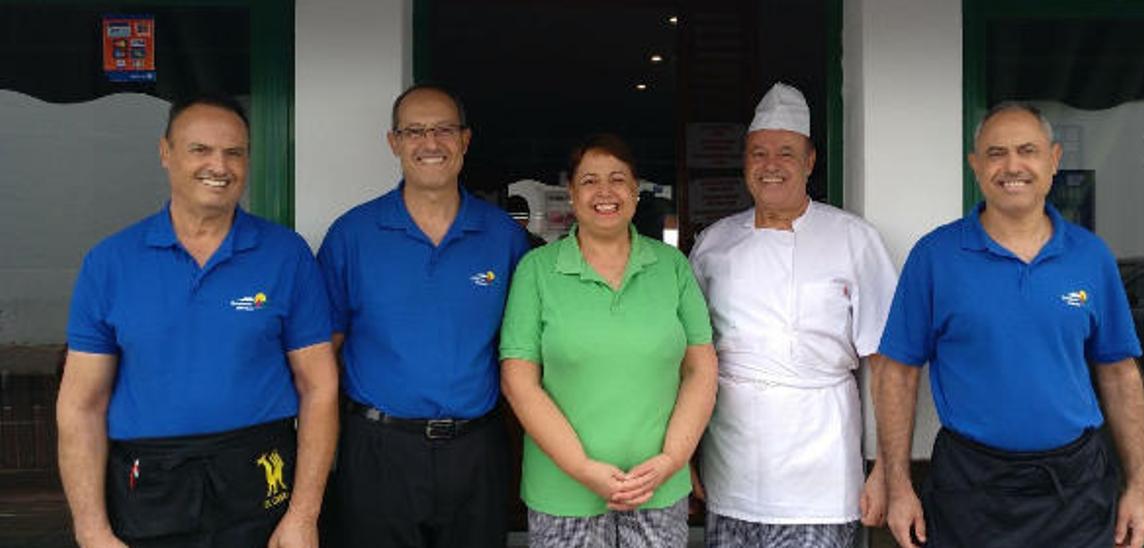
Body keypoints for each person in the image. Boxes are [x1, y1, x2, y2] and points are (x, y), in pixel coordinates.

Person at [57, 95, 339, 548]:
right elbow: (81, 405)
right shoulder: (110, 263)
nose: (219, 166)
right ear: (165, 153)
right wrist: (92, 531)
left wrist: (304, 515)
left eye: (234, 152)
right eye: (200, 150)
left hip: (259, 474)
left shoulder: (286, 256)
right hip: (150, 484)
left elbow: (319, 387)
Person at [875, 102, 1144, 547]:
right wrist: (898, 484)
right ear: (975, 166)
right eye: (996, 153)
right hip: (971, 489)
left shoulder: (1090, 256)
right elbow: (897, 374)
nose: (1012, 166)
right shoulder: (936, 256)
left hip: (1076, 490)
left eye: (1027, 150)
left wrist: (1138, 488)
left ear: (1054, 159)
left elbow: (1120, 376)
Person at [317, 84, 529, 548]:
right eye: (414, 131)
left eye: (443, 130)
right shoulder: (352, 235)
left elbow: (526, 353)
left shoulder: (502, 237)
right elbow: (320, 358)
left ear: (465, 139)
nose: (430, 143)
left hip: (478, 449)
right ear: (394, 142)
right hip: (378, 450)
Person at [688, 82, 896, 547]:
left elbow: (886, 365)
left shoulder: (853, 239)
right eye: (758, 153)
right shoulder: (713, 245)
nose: (770, 166)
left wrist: (887, 469)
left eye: (785, 152)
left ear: (810, 161)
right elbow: (688, 359)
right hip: (731, 471)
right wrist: (683, 455)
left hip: (821, 478)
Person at [499, 134, 718, 548]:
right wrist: (583, 468)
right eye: (589, 181)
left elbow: (701, 369)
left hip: (657, 486)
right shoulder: (537, 271)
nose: (605, 192)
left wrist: (673, 459)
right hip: (563, 491)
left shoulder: (671, 266)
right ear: (571, 193)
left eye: (617, 179)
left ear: (636, 191)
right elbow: (518, 382)